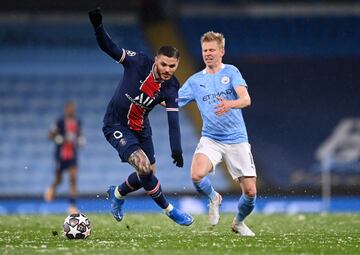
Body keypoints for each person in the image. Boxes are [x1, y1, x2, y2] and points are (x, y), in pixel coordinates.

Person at [88, 8, 193, 226]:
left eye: (172, 66)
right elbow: (110, 48)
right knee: (144, 168)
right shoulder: (138, 62)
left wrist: (177, 149)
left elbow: (173, 120)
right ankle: (171, 210)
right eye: (163, 64)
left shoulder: (172, 86)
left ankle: (116, 193)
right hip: (115, 124)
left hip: (141, 127)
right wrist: (98, 27)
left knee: (148, 174)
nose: (167, 69)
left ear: (177, 66)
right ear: (156, 60)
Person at [178, 31, 257, 236]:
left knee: (250, 192)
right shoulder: (195, 81)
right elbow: (173, 102)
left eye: (212, 50)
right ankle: (214, 197)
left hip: (237, 139)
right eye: (205, 50)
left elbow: (246, 99)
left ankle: (238, 223)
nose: (208, 54)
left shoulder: (231, 72)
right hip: (211, 138)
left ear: (222, 51)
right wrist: (148, 98)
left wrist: (230, 103)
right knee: (196, 175)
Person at [44, 100, 85, 214]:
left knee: (73, 178)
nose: (72, 110)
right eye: (70, 108)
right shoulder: (60, 121)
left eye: (73, 108)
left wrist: (81, 140)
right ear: (66, 109)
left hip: (72, 154)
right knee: (59, 179)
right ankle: (52, 188)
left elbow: (79, 133)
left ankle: (72, 205)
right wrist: (59, 139)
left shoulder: (78, 121)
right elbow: (50, 135)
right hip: (61, 155)